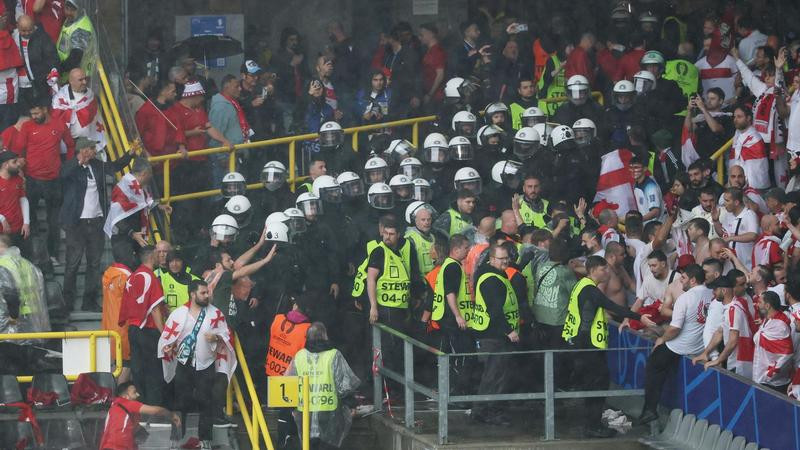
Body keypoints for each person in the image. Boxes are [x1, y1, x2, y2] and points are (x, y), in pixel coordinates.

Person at [562, 256, 652, 437]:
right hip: (589, 347)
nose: (607, 272)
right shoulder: (590, 291)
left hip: (581, 345)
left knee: (593, 385)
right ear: (593, 270)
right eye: (604, 269)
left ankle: (592, 423)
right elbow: (609, 308)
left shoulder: (581, 285)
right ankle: (593, 426)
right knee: (597, 385)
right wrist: (638, 317)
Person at [159, 280, 236, 449]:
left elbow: (227, 336)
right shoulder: (178, 314)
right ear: (193, 294)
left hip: (206, 364)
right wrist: (170, 346)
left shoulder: (215, 313)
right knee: (179, 402)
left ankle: (205, 439)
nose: (207, 295)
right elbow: (167, 338)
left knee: (206, 403)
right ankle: (176, 438)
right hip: (184, 364)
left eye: (207, 292)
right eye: (203, 293)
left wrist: (216, 338)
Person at [60, 137, 133, 312]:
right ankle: (67, 301)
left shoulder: (97, 165)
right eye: (92, 148)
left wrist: (129, 155)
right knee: (73, 263)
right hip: (76, 223)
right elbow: (61, 175)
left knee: (94, 263)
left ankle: (89, 301)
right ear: (84, 150)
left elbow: (114, 167)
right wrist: (79, 162)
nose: (95, 151)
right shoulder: (71, 167)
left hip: (96, 221)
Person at [639, 264, 711, 424]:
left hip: (682, 345)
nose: (680, 281)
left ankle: (650, 409)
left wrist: (661, 339)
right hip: (700, 345)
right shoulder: (710, 294)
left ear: (692, 280)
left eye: (683, 278)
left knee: (654, 363)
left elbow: (675, 329)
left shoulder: (685, 298)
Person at [18, 98, 74, 268]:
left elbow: (71, 145)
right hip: (33, 179)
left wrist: (68, 168)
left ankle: (54, 255)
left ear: (44, 109)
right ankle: (33, 255)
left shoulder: (58, 125)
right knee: (29, 219)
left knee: (54, 221)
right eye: (31, 114)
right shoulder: (27, 127)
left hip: (54, 180)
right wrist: (22, 172)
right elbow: (20, 151)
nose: (34, 116)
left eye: (36, 113)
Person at [286, 322, 360, 449]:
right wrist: (351, 404)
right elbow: (344, 385)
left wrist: (291, 408)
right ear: (325, 336)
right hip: (329, 412)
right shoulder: (333, 355)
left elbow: (288, 383)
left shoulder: (300, 356)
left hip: (304, 413)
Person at [470, 243, 519, 427]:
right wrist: (510, 331)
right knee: (494, 375)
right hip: (494, 335)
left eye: (506, 258)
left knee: (495, 374)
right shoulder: (492, 280)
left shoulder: (496, 274)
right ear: (491, 259)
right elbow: (495, 310)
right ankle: (487, 411)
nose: (505, 261)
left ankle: (484, 410)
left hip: (493, 334)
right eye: (501, 258)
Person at [118, 245, 167, 407]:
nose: (161, 256)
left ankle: (140, 407)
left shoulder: (133, 277)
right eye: (158, 253)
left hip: (133, 329)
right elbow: (154, 310)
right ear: (151, 255)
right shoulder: (149, 277)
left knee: (138, 371)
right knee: (153, 372)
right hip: (148, 329)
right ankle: (154, 409)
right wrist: (164, 334)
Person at [266, 296, 311, 447]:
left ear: (295, 305)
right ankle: (285, 442)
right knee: (288, 412)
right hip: (291, 375)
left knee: (283, 412)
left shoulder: (277, 319)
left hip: (273, 371)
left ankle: (283, 442)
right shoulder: (307, 329)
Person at [98, 381, 180, 450]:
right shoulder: (126, 403)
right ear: (125, 396)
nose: (138, 395)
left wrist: (139, 430)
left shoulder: (115, 408)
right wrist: (172, 415)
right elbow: (157, 411)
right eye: (134, 392)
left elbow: (123, 426)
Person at [208, 75, 250, 188]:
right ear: (226, 88)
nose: (240, 89)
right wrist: (221, 157)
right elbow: (215, 133)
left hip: (234, 154)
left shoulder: (232, 103)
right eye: (236, 86)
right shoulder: (221, 107)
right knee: (225, 189)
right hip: (226, 158)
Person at [12, 15, 59, 112]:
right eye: (23, 31)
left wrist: (53, 71)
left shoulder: (42, 37)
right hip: (19, 85)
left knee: (41, 112)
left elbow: (52, 56)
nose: (27, 33)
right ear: (17, 26)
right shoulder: (13, 36)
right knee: (25, 115)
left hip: (38, 82)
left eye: (30, 30)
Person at [752, 291, 793, 392]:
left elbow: (787, 354)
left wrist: (769, 375)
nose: (757, 305)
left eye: (760, 302)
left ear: (767, 306)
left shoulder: (779, 326)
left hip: (772, 384)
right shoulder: (767, 320)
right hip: (762, 378)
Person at [52, 68, 104, 146]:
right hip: (68, 142)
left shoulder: (89, 94)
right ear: (71, 81)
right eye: (80, 80)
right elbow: (56, 118)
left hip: (87, 140)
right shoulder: (59, 98)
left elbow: (94, 116)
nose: (84, 82)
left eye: (85, 79)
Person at [713, 187, 759, 270]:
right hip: (731, 264)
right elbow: (723, 234)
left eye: (727, 201)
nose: (724, 203)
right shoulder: (728, 215)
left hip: (747, 264)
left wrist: (731, 238)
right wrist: (715, 221)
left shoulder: (749, 215)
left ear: (736, 202)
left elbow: (753, 235)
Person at [729, 104, 769, 190]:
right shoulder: (737, 135)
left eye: (739, 117)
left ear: (748, 118)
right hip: (739, 184)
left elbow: (756, 168)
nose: (735, 120)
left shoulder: (755, 138)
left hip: (754, 187)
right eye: (734, 117)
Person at [0, 151, 30, 254]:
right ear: (5, 165)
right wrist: (2, 218)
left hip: (18, 228)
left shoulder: (18, 179)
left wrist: (26, 222)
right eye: (14, 162)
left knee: (21, 259)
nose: (18, 164)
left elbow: (23, 199)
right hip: (2, 231)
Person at [56, 0, 95, 75]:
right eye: (67, 8)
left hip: (77, 76)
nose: (68, 13)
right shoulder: (72, 20)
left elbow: (75, 58)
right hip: (68, 74)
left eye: (73, 10)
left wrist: (59, 69)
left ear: (80, 9)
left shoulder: (81, 28)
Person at [419, 23, 446, 108]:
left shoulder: (437, 51)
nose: (420, 38)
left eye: (421, 35)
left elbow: (440, 75)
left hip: (436, 96)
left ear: (431, 34)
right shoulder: (429, 51)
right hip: (431, 94)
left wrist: (430, 94)